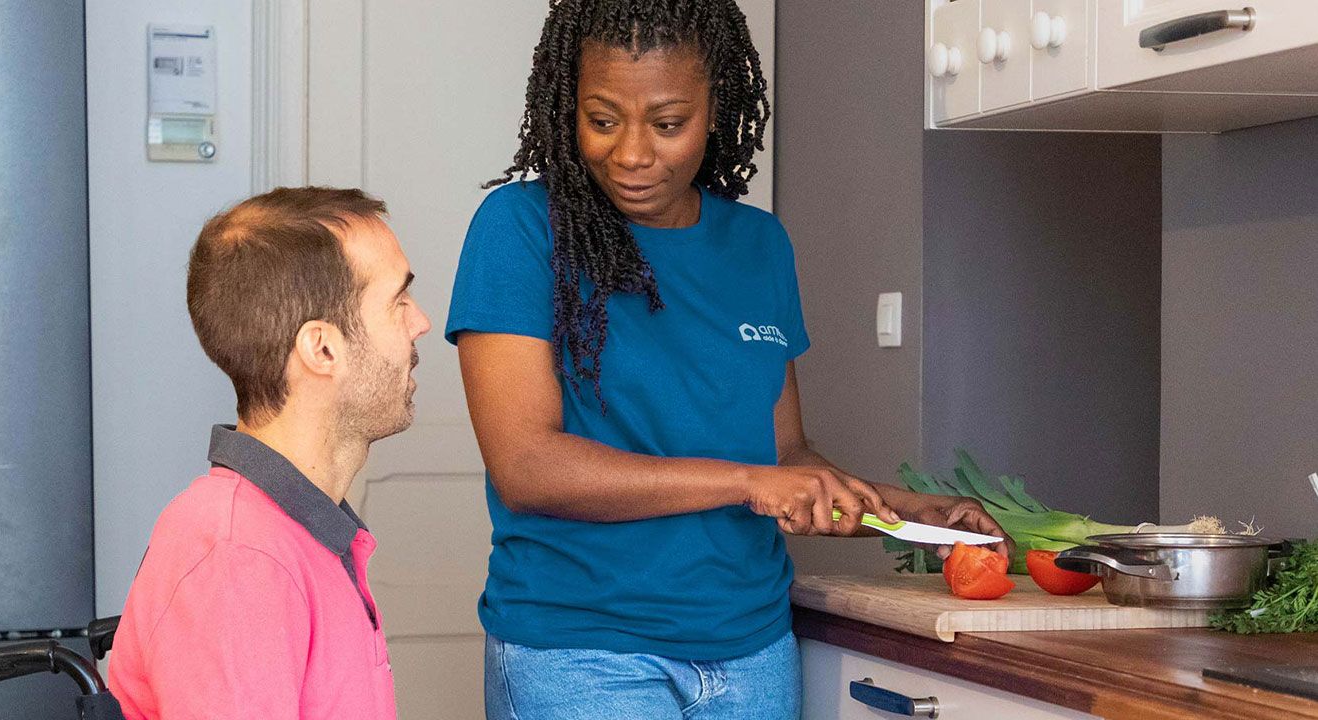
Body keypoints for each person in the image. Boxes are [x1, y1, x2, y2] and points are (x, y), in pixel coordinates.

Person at [445, 1, 1013, 717]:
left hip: (753, 652)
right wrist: (748, 482)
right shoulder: (521, 229)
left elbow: (785, 456)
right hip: (581, 653)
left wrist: (911, 514)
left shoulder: (759, 246)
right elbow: (527, 466)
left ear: (716, 109)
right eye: (602, 118)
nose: (631, 153)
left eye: (668, 122)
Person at [108, 187, 430, 719]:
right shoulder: (238, 559)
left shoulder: (304, 529)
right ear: (322, 348)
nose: (419, 322)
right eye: (397, 301)